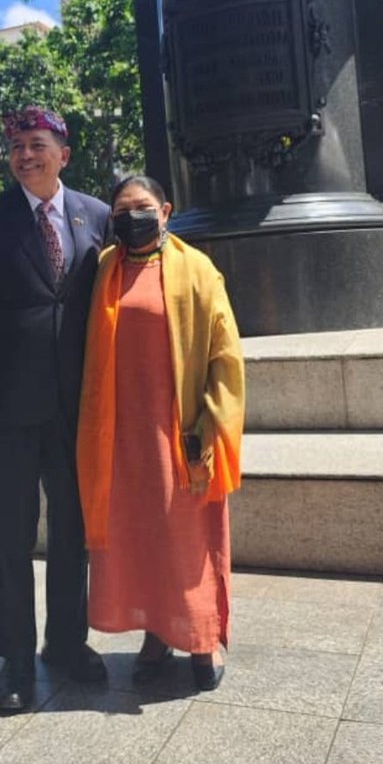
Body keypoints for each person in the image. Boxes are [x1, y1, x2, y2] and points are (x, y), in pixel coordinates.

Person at [0, 104, 110, 715]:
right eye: (17, 147)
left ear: (63, 154)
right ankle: (16, 659)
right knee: (10, 533)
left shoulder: (97, 215)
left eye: (37, 144)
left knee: (72, 529)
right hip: (8, 403)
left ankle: (66, 643)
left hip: (77, 405)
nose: (25, 155)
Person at [77, 175, 245, 692]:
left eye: (142, 207)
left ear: (165, 211)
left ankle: (201, 637)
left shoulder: (197, 270)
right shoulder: (105, 268)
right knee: (139, 537)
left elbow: (225, 357)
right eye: (121, 211)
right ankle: (155, 634)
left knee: (187, 540)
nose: (132, 218)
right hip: (120, 435)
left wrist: (210, 426)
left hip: (180, 431)